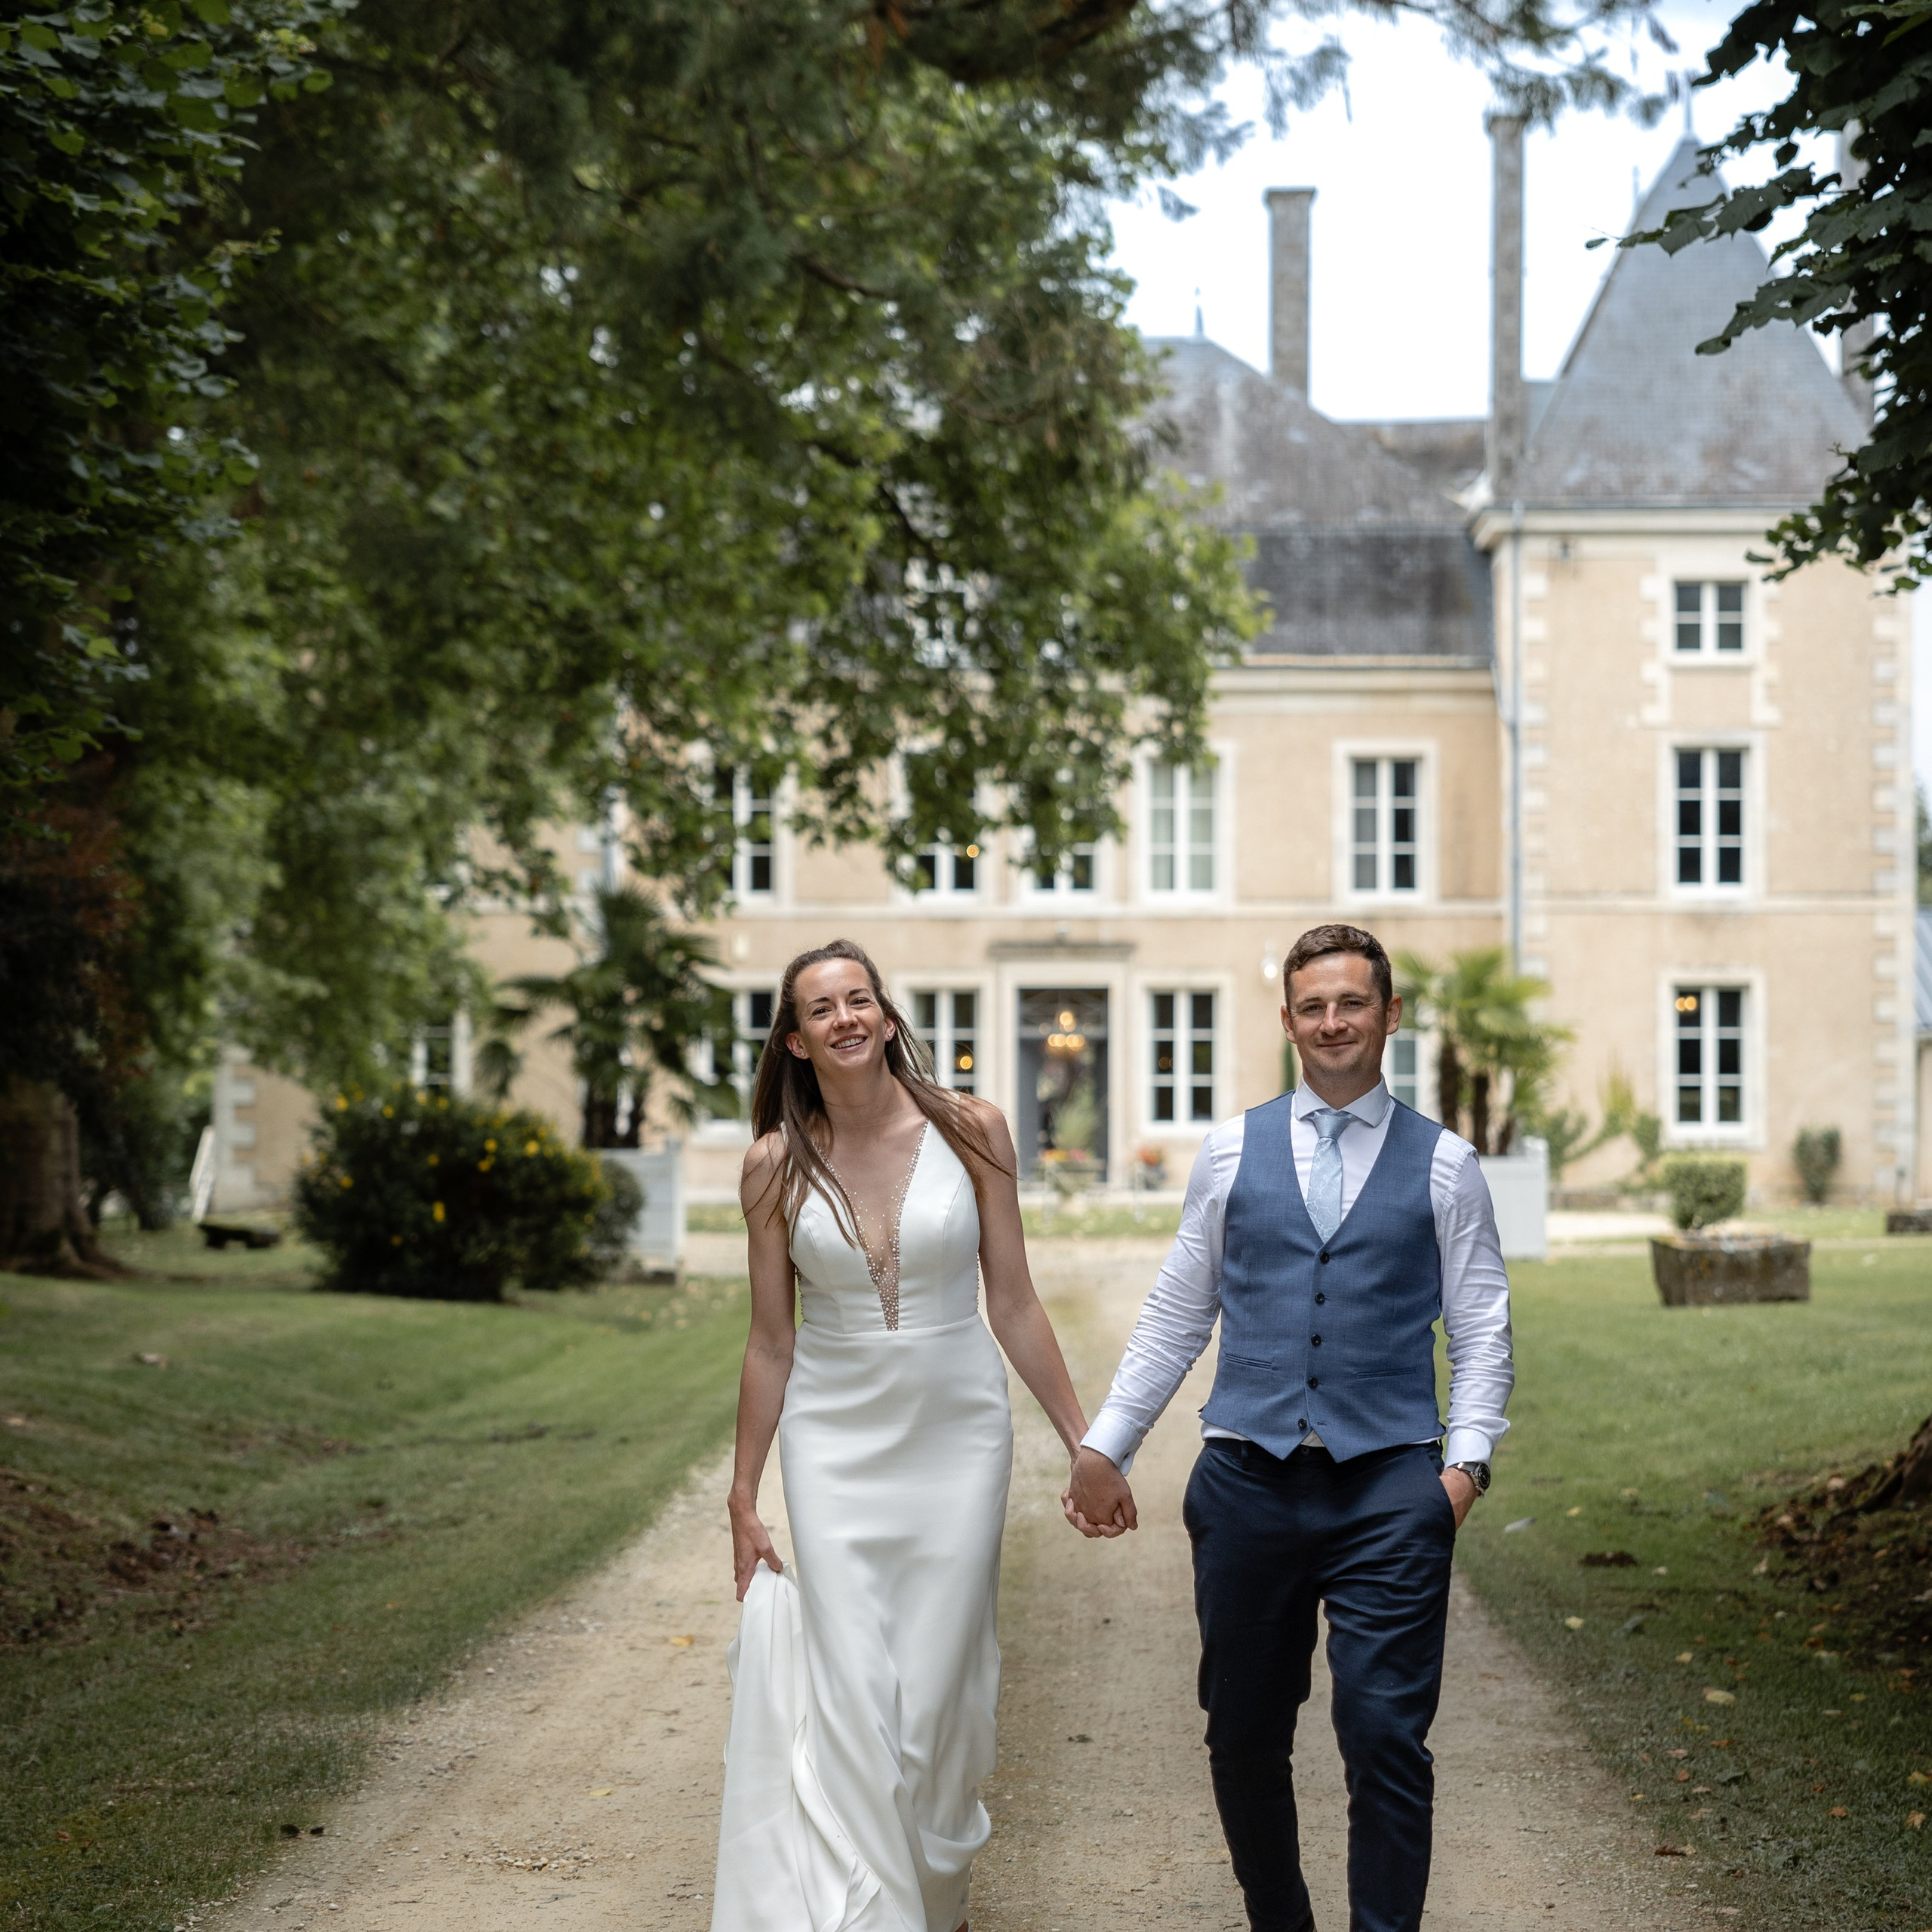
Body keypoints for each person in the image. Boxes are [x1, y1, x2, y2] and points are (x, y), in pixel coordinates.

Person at [1065, 922, 1514, 1932]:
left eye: (1352, 1002)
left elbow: (1483, 1331)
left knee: (1386, 1734)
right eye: (1313, 1006)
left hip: (1392, 1486)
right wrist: (1107, 1444)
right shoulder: (1230, 1150)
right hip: (1248, 1481)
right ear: (1287, 1021)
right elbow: (1180, 1311)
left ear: (1389, 1015)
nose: (1333, 1022)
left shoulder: (1446, 1166)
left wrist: (1465, 1470)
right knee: (1242, 1737)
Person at [711, 939, 1091, 1932]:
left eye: (860, 999)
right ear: (795, 1041)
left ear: (885, 1016)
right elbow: (768, 1343)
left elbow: (1012, 1303)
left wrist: (1085, 1443)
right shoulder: (770, 1168)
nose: (845, 1018)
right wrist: (744, 1499)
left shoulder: (973, 1130)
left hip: (956, 1436)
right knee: (854, 1699)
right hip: (832, 1444)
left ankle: (937, 1896)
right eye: (822, 1009)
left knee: (934, 1700)